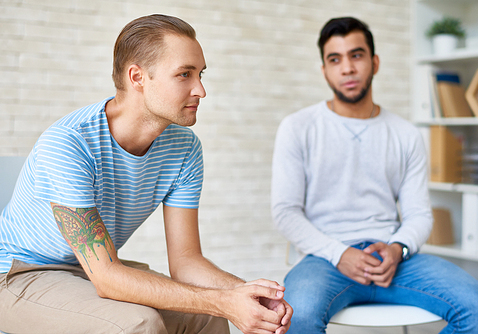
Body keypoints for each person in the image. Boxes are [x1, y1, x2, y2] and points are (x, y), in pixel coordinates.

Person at [0, 14, 292, 334]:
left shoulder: (184, 148)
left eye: (200, 74)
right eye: (184, 74)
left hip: (86, 273)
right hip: (18, 275)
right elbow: (108, 276)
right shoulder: (70, 144)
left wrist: (246, 295)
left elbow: (186, 261)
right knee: (137, 323)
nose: (201, 90)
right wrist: (222, 301)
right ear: (137, 76)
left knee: (206, 314)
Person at [271, 16, 478, 334]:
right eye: (335, 59)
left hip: (391, 257)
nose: (347, 68)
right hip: (326, 259)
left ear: (374, 63)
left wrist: (397, 249)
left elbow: (419, 215)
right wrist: (340, 253)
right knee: (299, 315)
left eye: (357, 55)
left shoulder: (405, 134)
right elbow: (286, 212)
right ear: (324, 70)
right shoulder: (298, 127)